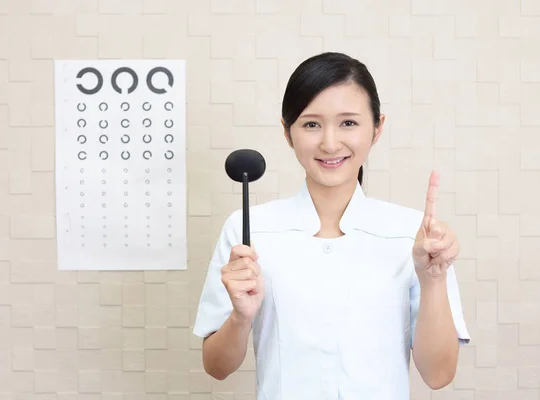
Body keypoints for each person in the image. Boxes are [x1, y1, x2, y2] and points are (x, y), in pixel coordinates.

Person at [192, 52, 470, 399]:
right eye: (311, 124)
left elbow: (439, 374)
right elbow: (217, 367)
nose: (329, 143)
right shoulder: (249, 230)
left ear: (377, 127)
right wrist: (240, 317)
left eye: (348, 123)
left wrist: (433, 280)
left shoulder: (417, 237)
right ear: (287, 132)